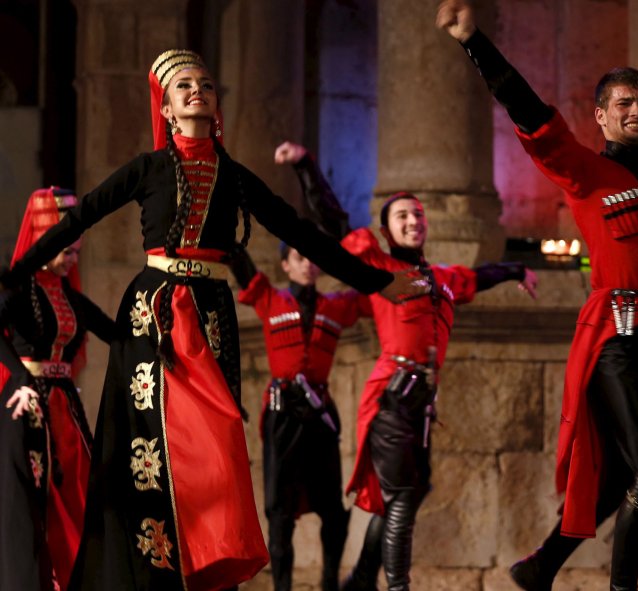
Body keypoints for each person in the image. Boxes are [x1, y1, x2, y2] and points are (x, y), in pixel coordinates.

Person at [0, 50, 423, 591]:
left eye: (205, 83)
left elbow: (301, 232)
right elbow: (80, 216)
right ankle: (153, 572)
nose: (196, 89)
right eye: (183, 86)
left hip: (208, 316)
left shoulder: (235, 177)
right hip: (152, 316)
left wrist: (377, 281)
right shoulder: (147, 169)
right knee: (150, 451)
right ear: (169, 110)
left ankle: (206, 566)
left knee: (218, 445)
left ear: (217, 105)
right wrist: (17, 273)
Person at [437, 3, 638, 589]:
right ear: (601, 117)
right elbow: (531, 116)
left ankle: (539, 567)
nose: (635, 111)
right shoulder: (585, 172)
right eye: (622, 104)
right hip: (613, 339)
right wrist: (476, 42)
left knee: (615, 480)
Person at [275, 141, 538, 591]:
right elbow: (335, 222)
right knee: (399, 495)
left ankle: (359, 580)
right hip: (391, 396)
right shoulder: (377, 264)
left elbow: (479, 277)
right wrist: (305, 166)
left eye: (418, 216)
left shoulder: (442, 276)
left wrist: (516, 271)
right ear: (387, 230)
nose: (413, 222)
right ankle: (396, 587)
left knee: (408, 492)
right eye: (402, 217)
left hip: (421, 403)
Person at [232, 235, 368, 591]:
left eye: (313, 258)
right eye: (299, 256)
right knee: (279, 511)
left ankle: (329, 585)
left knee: (334, 512)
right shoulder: (270, 298)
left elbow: (377, 293)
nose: (308, 263)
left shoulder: (337, 305)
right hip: (283, 415)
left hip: (320, 415)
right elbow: (239, 261)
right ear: (286, 265)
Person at [0, 188, 117, 591]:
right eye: (66, 251)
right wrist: (19, 378)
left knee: (81, 500)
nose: (72, 260)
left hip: (66, 414)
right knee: (36, 506)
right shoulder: (17, 289)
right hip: (27, 409)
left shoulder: (69, 295)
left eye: (77, 253)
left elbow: (115, 333)